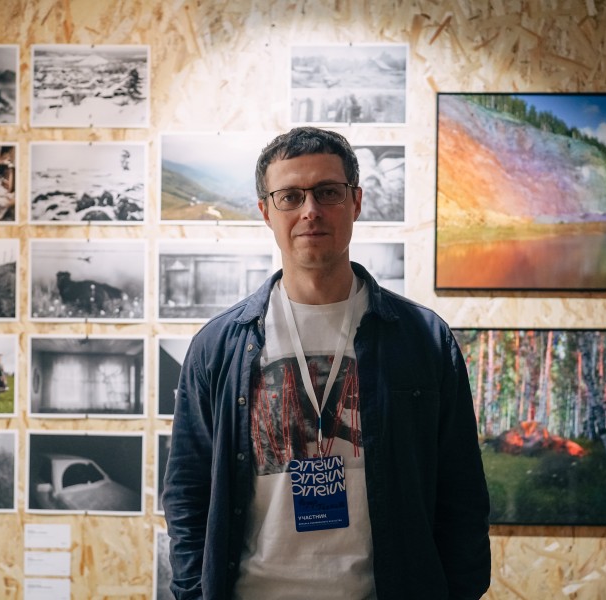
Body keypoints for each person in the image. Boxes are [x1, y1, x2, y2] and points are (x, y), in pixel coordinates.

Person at [163, 127, 490, 600]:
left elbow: (462, 493)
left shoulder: (424, 340)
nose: (310, 210)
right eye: (290, 196)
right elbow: (187, 493)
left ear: (356, 201)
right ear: (266, 211)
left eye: (328, 192)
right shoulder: (219, 346)